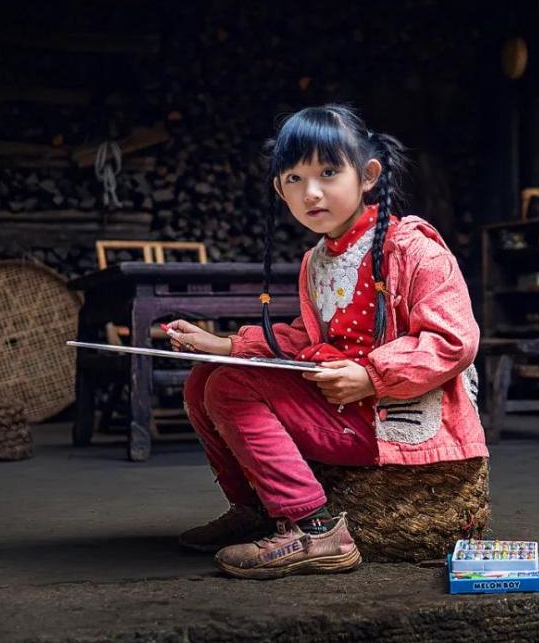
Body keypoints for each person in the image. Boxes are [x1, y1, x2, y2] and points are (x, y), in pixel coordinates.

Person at [165, 104, 485, 579]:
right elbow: (307, 338)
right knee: (203, 381)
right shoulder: (318, 259)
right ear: (280, 190)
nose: (311, 192)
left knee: (229, 388)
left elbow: (453, 339)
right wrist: (225, 346)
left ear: (368, 174)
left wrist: (372, 376)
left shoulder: (412, 248)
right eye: (293, 179)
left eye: (329, 171)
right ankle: (253, 508)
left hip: (387, 411)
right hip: (341, 405)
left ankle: (315, 528)